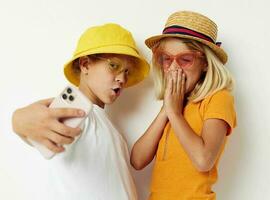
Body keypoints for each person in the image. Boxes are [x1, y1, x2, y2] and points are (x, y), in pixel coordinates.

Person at [13, 23, 149, 199]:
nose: (122, 78)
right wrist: (18, 120)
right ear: (85, 65)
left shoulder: (111, 129)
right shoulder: (75, 110)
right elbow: (30, 126)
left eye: (126, 71)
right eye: (114, 66)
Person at [130, 11, 237, 200]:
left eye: (185, 59)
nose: (173, 68)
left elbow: (204, 161)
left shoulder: (218, 98)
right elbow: (137, 160)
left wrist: (174, 113)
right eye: (166, 59)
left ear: (205, 63)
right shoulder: (173, 106)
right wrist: (168, 109)